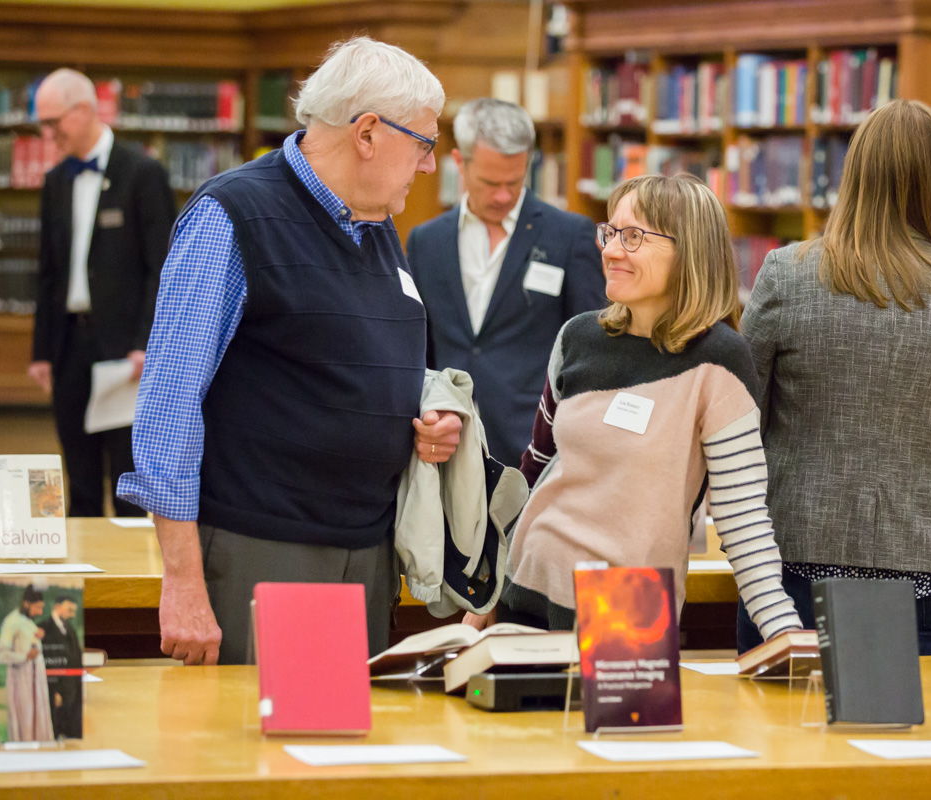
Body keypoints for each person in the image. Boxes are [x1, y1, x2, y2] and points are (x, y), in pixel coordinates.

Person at [116, 37, 462, 666]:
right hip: (264, 548)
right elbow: (169, 404)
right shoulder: (231, 216)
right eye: (424, 143)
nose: (429, 166)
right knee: (257, 730)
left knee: (346, 732)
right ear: (367, 133)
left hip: (368, 549)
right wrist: (183, 581)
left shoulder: (376, 226)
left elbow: (359, 357)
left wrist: (427, 414)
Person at [465, 173, 803, 643]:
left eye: (633, 236)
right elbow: (536, 468)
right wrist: (486, 586)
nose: (610, 250)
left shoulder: (720, 360)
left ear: (688, 251)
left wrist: (784, 632)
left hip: (628, 606)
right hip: (526, 585)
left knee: (628, 702)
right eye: (610, 232)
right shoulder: (577, 337)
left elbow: (743, 517)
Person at [738, 100, 931, 656]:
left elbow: (742, 420)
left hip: (796, 569)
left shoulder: (786, 275)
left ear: (854, 174)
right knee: (930, 717)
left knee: (785, 715)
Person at [407, 99, 606, 468]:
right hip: (448, 448)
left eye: (514, 182)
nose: (502, 195)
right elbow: (419, 348)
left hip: (535, 452)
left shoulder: (569, 236)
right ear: (459, 162)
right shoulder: (425, 241)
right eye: (490, 182)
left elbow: (591, 351)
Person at [30, 68, 175, 517]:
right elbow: (48, 272)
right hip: (69, 345)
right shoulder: (56, 180)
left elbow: (161, 267)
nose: (47, 134)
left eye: (53, 122)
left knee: (128, 484)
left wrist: (145, 343)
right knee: (79, 480)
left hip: (124, 354)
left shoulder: (143, 173)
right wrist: (41, 352)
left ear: (83, 110)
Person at [0, 587, 54, 742]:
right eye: (38, 607)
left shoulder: (29, 622)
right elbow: (2, 655)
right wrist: (25, 656)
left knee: (38, 719)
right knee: (25, 720)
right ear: (26, 604)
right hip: (20, 681)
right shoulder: (11, 622)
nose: (40, 612)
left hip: (36, 682)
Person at [38, 595, 82, 739]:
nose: (73, 615)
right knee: (54, 730)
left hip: (73, 690)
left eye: (74, 611)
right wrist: (54, 691)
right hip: (55, 691)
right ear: (57, 607)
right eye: (69, 610)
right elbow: (45, 662)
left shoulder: (70, 629)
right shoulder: (44, 628)